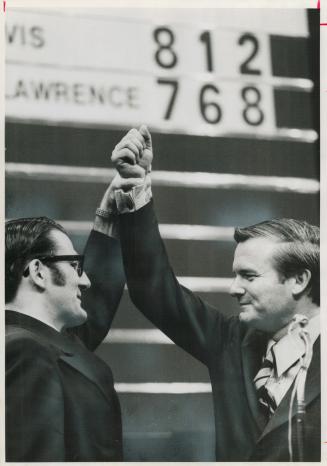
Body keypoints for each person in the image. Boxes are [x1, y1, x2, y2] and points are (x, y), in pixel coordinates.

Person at [108, 126, 320, 461]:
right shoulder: (232, 341)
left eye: (248, 276)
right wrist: (135, 188)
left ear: (298, 280)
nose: (234, 289)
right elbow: (153, 289)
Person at [5, 175, 143, 462]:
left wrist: (109, 217)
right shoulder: (26, 352)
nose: (86, 281)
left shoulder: (35, 342)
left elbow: (94, 310)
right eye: (74, 266)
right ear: (39, 272)